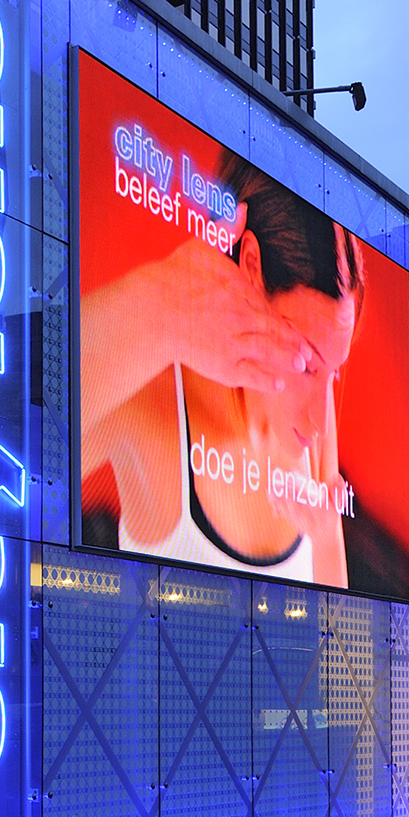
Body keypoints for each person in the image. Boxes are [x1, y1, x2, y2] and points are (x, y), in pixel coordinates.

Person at [80, 149, 362, 587]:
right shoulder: (153, 395)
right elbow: (11, 440)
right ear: (250, 265)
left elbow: (337, 622)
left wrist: (326, 539)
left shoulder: (315, 423)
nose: (319, 421)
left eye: (333, 372)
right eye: (306, 364)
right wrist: (154, 298)